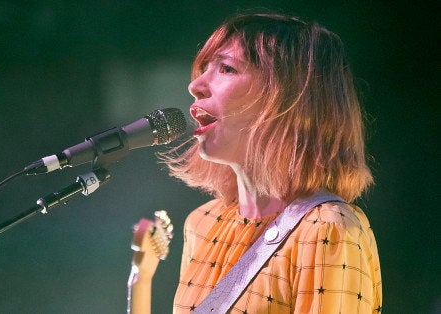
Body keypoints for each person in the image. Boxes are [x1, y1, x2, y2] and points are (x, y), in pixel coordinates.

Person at [131, 12, 382, 313]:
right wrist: (139, 283)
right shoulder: (202, 223)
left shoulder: (327, 229)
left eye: (226, 68)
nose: (195, 85)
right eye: (202, 69)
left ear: (289, 97)